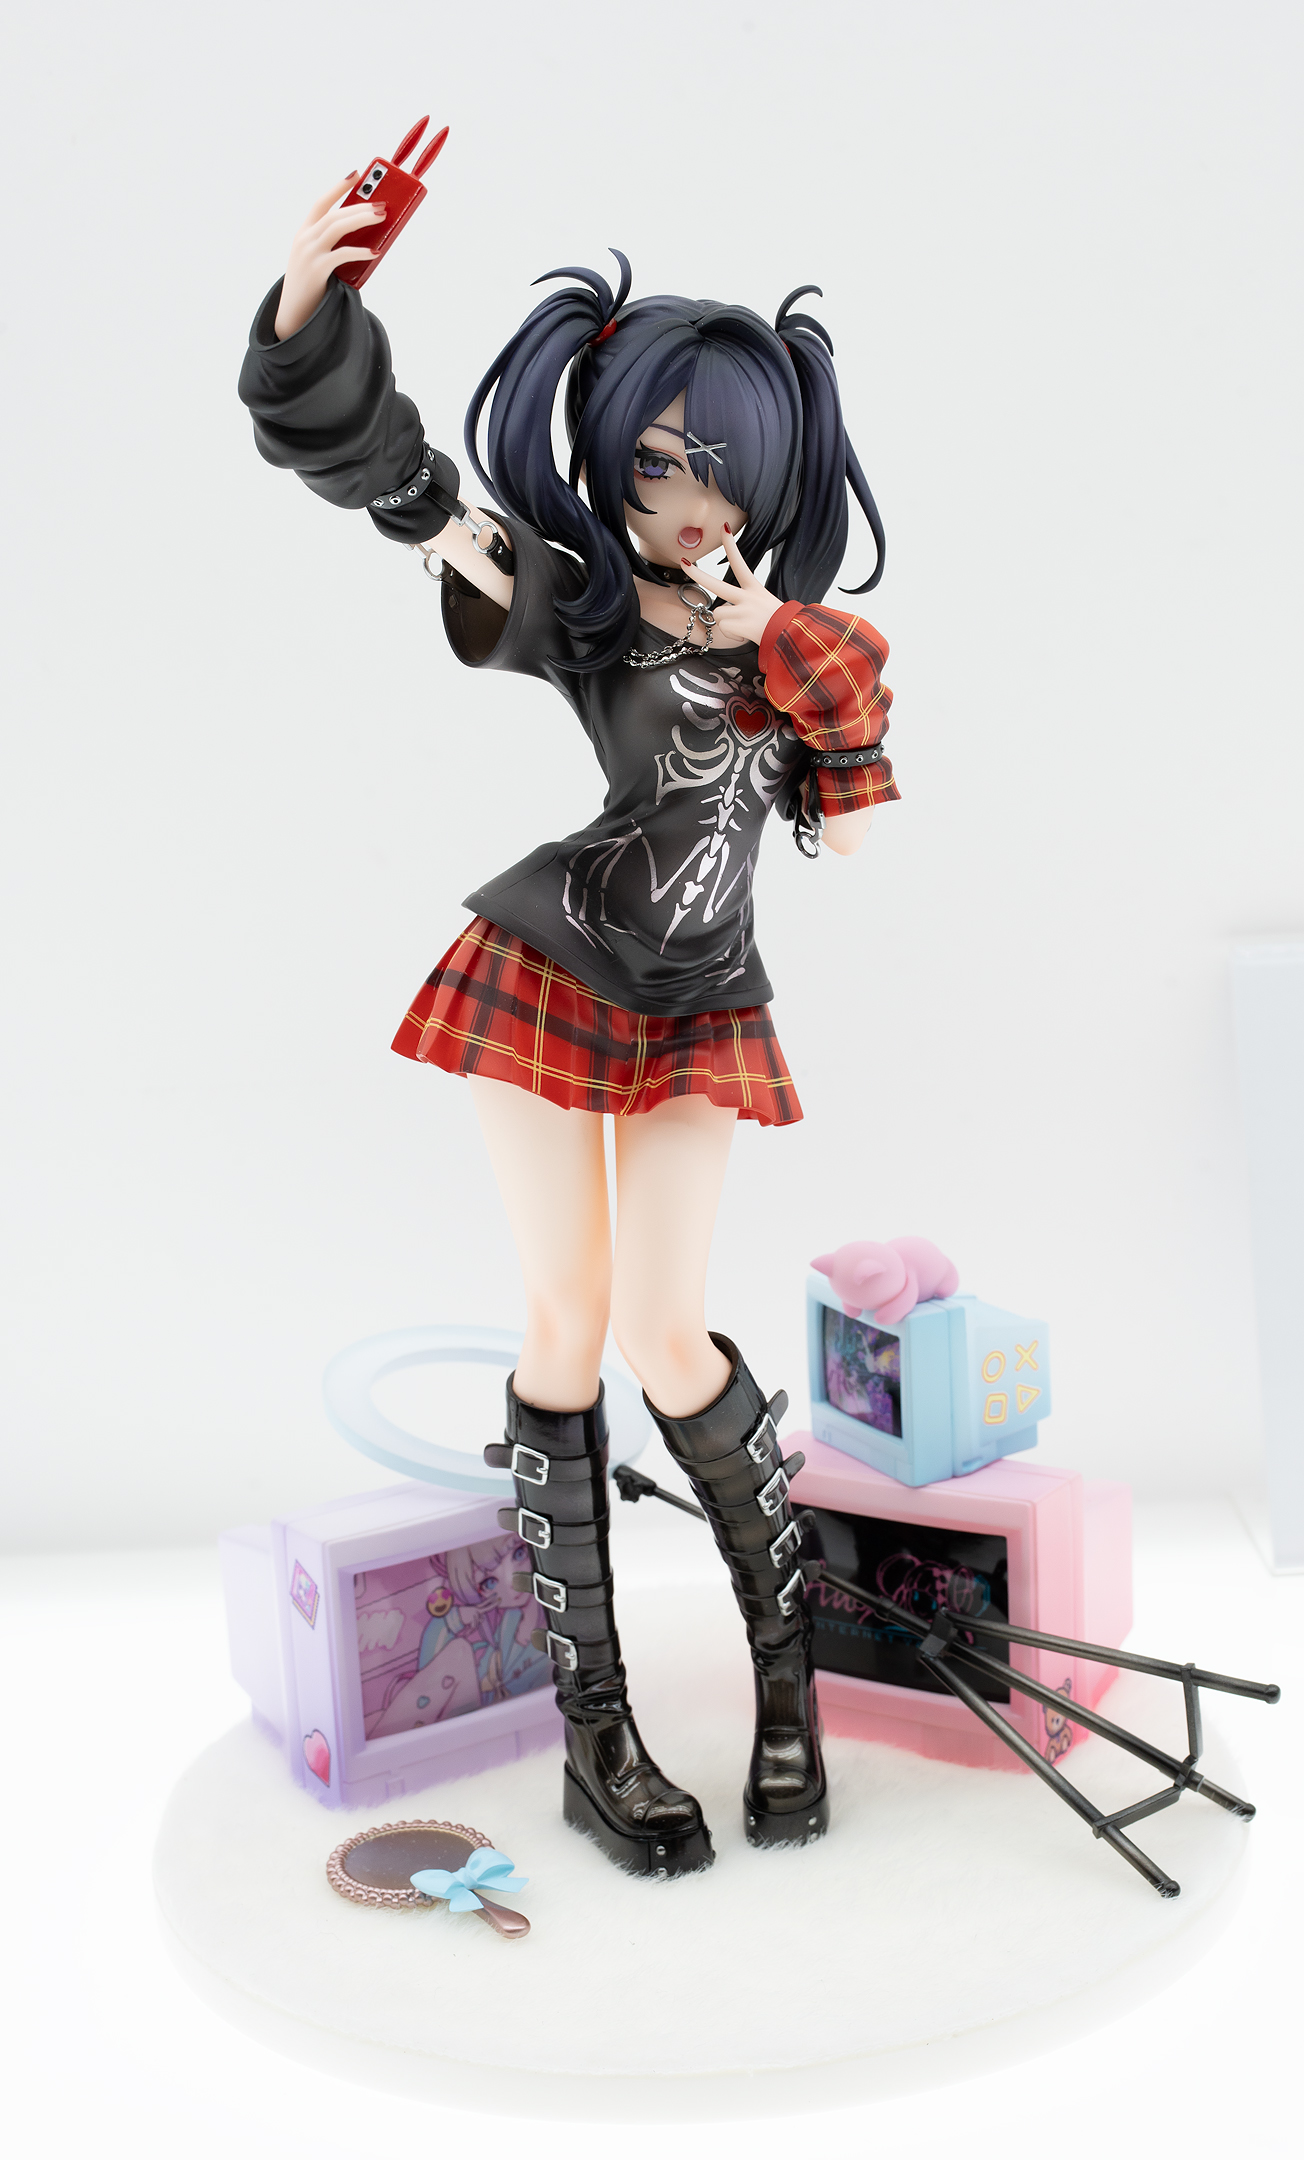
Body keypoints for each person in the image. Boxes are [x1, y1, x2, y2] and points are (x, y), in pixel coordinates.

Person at [238, 171, 900, 1878]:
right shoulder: (591, 604)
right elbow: (408, 497)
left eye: (716, 470)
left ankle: (786, 1690)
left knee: (673, 1336)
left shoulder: (798, 646)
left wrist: (774, 634)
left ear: (774, 479)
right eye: (654, 464)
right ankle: (599, 1736)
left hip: (701, 1004)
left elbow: (858, 809)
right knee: (569, 1317)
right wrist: (311, 325)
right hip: (548, 972)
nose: (682, 498)